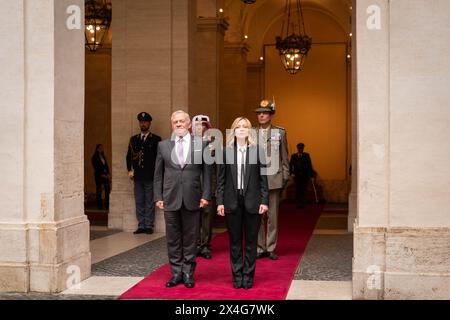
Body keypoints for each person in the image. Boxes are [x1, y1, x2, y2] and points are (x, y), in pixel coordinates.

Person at [154, 110, 211, 289]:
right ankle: (176, 273)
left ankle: (188, 273)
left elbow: (208, 174)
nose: (178, 124)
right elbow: (157, 175)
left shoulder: (201, 144)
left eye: (181, 121)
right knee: (172, 238)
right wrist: (158, 196)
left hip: (193, 198)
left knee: (191, 237)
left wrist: (206, 195)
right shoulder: (163, 146)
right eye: (175, 122)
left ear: (188, 125)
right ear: (172, 125)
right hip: (170, 198)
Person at [216, 117, 269, 289]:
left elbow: (263, 179)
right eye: (237, 126)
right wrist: (219, 202)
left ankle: (248, 276)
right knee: (235, 242)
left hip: (253, 201)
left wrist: (265, 200)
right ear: (233, 130)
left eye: (244, 126)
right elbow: (220, 180)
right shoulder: (225, 152)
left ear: (249, 131)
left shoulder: (257, 151)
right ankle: (237, 275)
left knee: (251, 242)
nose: (241, 129)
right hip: (232, 201)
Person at [255, 99, 290, 260]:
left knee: (272, 217)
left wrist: (284, 177)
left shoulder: (279, 132)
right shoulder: (250, 133)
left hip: (273, 180)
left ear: (271, 115)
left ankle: (270, 247)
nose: (261, 115)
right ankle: (260, 247)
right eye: (259, 113)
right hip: (255, 181)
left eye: (265, 113)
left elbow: (284, 157)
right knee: (257, 216)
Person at [126, 112, 161, 235]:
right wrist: (130, 171)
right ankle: (141, 225)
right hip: (138, 177)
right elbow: (129, 157)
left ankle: (149, 225)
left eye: (145, 122)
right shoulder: (133, 139)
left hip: (150, 176)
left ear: (149, 123)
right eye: (141, 122)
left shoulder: (156, 139)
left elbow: (159, 159)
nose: (143, 123)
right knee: (139, 201)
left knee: (150, 202)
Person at [192, 115, 216, 260]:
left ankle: (205, 246)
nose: (200, 128)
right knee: (194, 218)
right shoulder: (188, 144)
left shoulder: (214, 145)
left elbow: (217, 169)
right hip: (193, 187)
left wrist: (215, 189)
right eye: (198, 125)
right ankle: (194, 245)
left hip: (208, 187)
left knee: (207, 219)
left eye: (203, 125)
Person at [290, 143, 315, 208]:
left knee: (304, 190)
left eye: (301, 148)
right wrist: (291, 173)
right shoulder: (294, 156)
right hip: (297, 176)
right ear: (297, 148)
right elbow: (290, 165)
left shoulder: (306, 155)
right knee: (298, 190)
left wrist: (312, 176)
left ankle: (303, 203)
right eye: (299, 148)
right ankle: (298, 203)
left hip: (304, 176)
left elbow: (309, 166)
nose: (300, 149)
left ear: (303, 148)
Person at [91, 144, 111, 210]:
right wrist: (102, 174)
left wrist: (108, 174)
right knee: (99, 191)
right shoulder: (94, 157)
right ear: (97, 149)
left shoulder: (103, 156)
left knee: (107, 190)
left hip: (105, 176)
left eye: (102, 148)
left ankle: (107, 205)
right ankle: (100, 206)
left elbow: (106, 166)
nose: (101, 149)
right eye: (100, 148)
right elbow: (96, 167)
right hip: (99, 176)